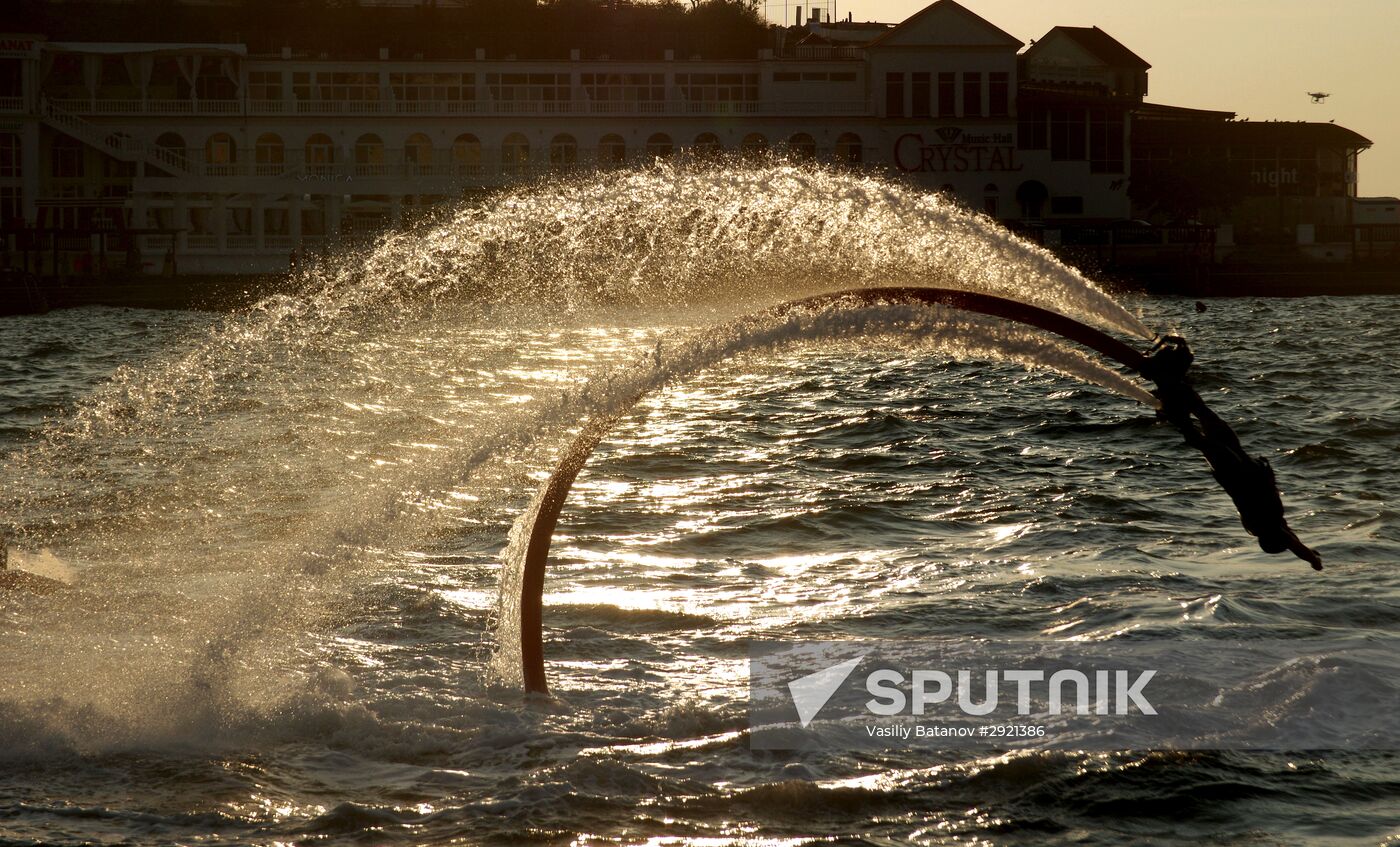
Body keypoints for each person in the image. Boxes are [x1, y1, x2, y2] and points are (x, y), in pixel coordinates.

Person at [1147, 339, 1323, 570]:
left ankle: (1165, 389)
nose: (1292, 534)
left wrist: (1313, 560)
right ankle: (1172, 381)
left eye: (1289, 537)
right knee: (1206, 418)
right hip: (1240, 465)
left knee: (1199, 437)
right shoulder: (1270, 526)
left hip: (1234, 471)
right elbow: (1293, 541)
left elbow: (1293, 544)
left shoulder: (1264, 527)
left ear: (1278, 537)